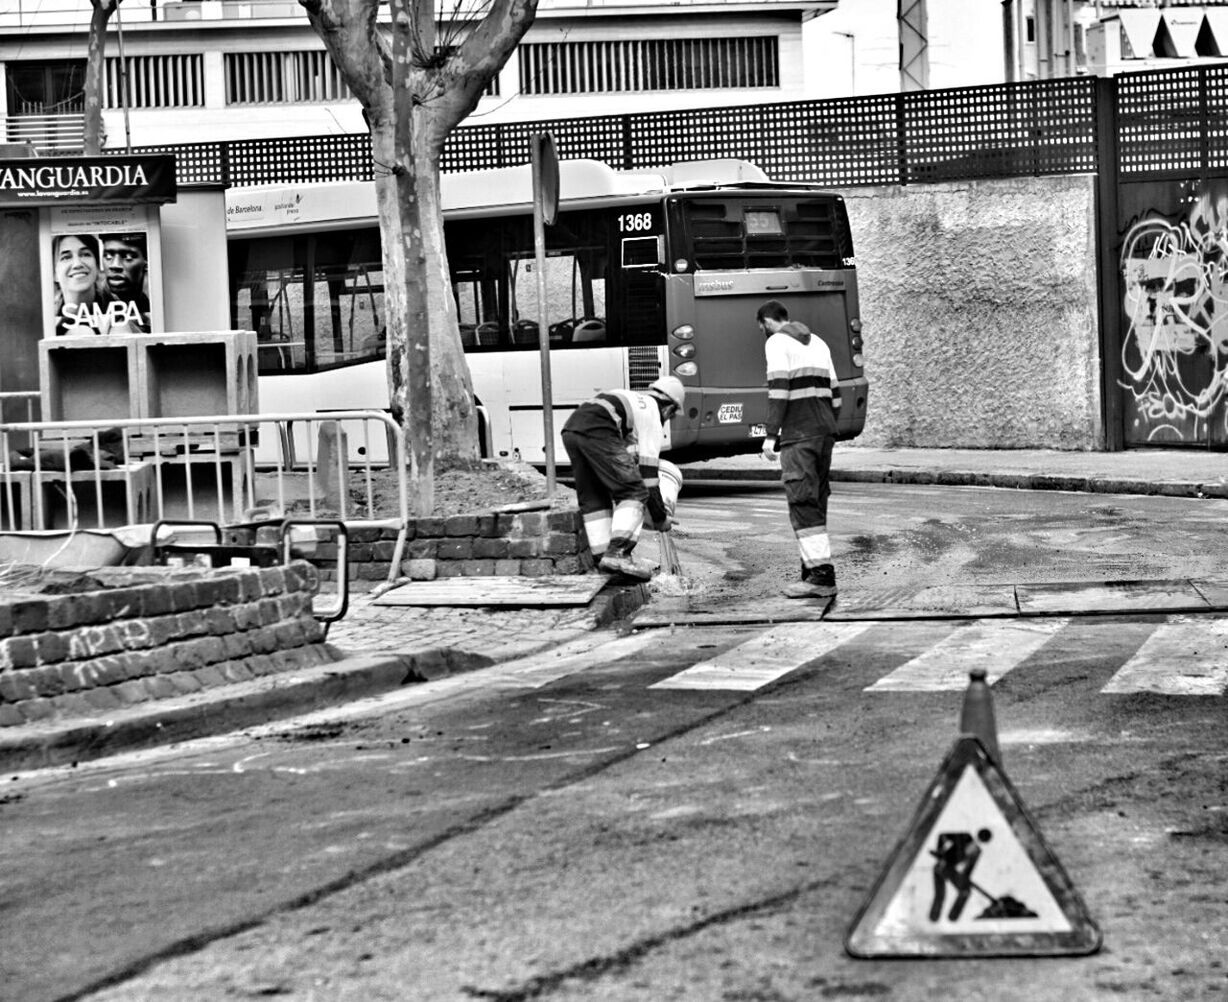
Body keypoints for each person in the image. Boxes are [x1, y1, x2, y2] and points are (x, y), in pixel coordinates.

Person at [561, 375, 686, 581]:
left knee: (595, 497)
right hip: (599, 429)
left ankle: (603, 560)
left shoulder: (634, 400)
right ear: (669, 409)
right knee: (634, 492)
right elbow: (648, 478)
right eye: (671, 417)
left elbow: (625, 457)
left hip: (572, 429)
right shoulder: (653, 414)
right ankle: (618, 553)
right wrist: (660, 517)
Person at [757, 299, 840, 599]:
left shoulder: (776, 343)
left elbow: (779, 389)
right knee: (816, 500)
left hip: (799, 434)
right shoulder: (818, 341)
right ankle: (812, 568)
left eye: (762, 329)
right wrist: (829, 426)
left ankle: (820, 576)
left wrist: (770, 436)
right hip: (824, 432)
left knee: (802, 501)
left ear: (765, 323)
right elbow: (836, 392)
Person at [101, 232, 151, 331]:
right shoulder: (94, 301)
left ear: (147, 262)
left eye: (128, 257)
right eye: (108, 256)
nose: (114, 265)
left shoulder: (151, 301)